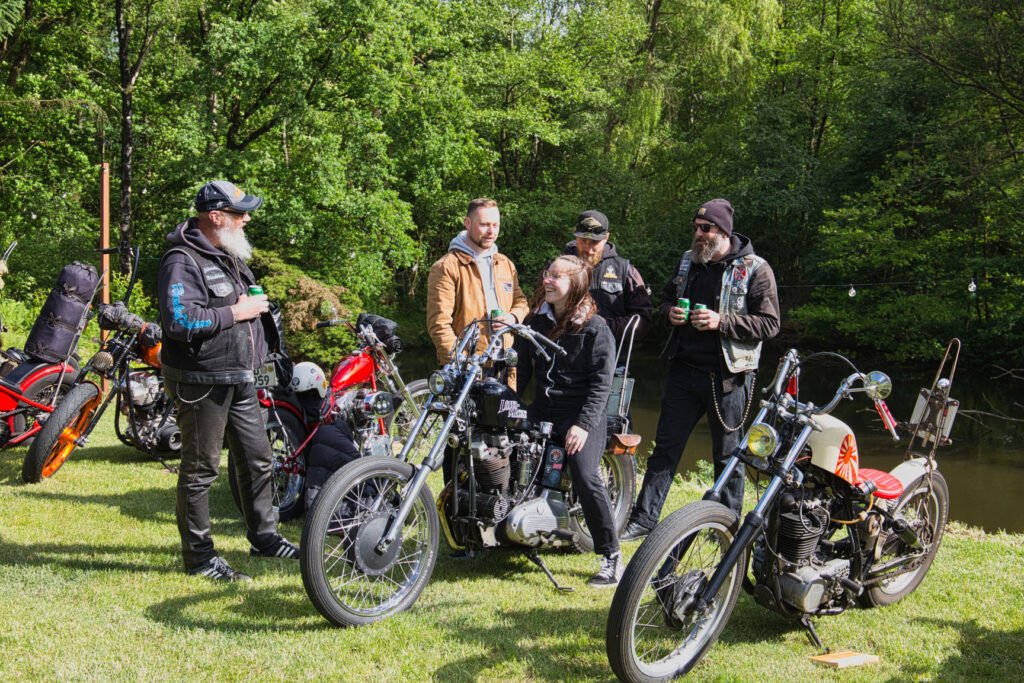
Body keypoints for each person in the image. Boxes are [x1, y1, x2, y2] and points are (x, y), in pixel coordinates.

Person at [158, 180, 298, 582]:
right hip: (201, 380)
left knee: (257, 459)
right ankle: (200, 558)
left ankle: (266, 539)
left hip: (240, 378)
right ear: (216, 216)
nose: (247, 218)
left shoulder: (227, 255)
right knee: (201, 470)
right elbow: (179, 321)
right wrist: (236, 313)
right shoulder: (181, 259)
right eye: (240, 213)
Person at [622, 198, 780, 540]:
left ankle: (725, 525)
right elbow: (663, 301)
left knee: (728, 455)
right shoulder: (687, 262)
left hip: (729, 378)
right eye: (695, 227)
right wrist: (670, 315)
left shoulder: (756, 269)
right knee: (665, 449)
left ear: (722, 232)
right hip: (684, 370)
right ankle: (644, 519)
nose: (698, 233)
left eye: (705, 228)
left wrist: (722, 321)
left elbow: (770, 324)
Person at [514, 255, 622, 588]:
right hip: (544, 408)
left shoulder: (594, 327)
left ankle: (611, 556)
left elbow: (602, 384)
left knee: (585, 473)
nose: (547, 280)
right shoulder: (536, 321)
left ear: (574, 285)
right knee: (498, 440)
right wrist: (506, 402)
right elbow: (520, 372)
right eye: (547, 274)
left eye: (557, 277)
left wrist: (584, 425)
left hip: (581, 413)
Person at [426, 198, 530, 365]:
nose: (491, 231)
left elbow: (521, 302)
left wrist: (513, 317)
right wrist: (460, 361)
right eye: (484, 224)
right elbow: (439, 325)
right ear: (467, 223)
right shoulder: (446, 267)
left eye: (495, 225)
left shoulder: (505, 264)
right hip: (466, 366)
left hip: (504, 361)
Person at [563, 210, 653, 347]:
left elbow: (642, 321)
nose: (588, 248)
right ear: (575, 237)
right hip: (564, 352)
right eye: (583, 241)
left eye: (594, 242)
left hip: (610, 354)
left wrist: (599, 325)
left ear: (606, 237)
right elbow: (538, 311)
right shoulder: (557, 268)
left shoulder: (625, 270)